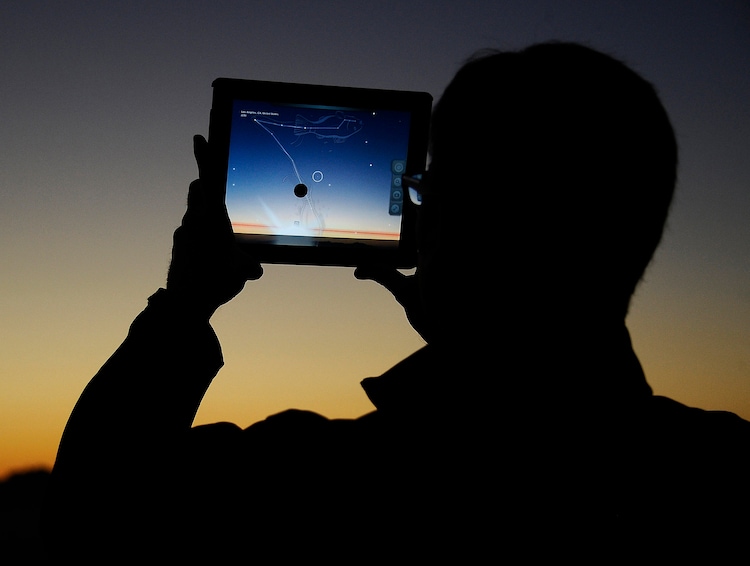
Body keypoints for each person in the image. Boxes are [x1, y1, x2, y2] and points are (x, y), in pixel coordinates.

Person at [42, 42, 749, 561]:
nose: (416, 210)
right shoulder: (718, 470)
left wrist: (184, 305)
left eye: (429, 193)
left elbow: (88, 514)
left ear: (463, 222)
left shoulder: (325, 491)